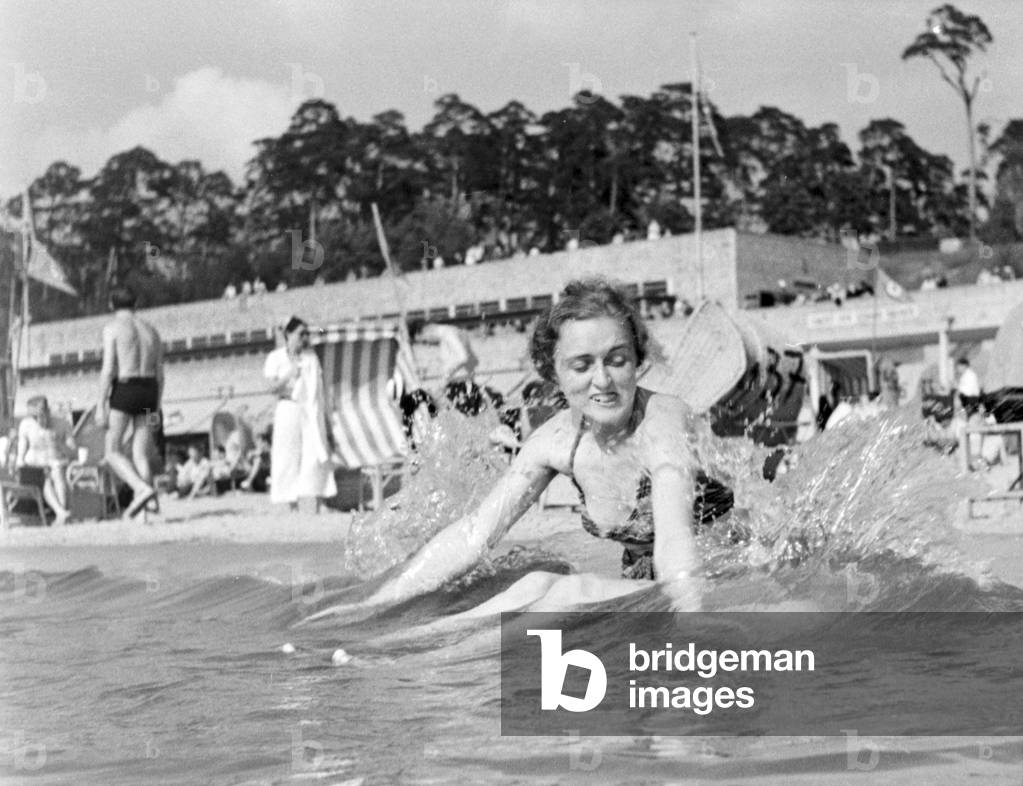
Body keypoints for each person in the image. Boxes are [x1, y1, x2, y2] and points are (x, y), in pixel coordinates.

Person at [332, 278, 712, 616]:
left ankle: (410, 653)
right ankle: (396, 647)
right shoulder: (556, 441)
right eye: (582, 366)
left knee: (566, 590)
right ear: (554, 373)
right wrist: (376, 603)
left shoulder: (662, 420)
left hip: (713, 583)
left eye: (617, 361)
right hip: (654, 587)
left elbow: (676, 534)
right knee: (535, 583)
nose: (603, 381)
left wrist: (690, 619)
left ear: (636, 361)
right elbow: (473, 534)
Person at [95, 287, 164, 518]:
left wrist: (100, 405)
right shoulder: (152, 331)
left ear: (111, 305)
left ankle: (141, 488)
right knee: (140, 453)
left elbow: (107, 370)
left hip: (126, 389)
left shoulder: (113, 328)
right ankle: (147, 511)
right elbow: (161, 374)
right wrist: (156, 405)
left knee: (112, 449)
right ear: (136, 304)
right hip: (149, 391)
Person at [263, 317, 337, 510]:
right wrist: (290, 374)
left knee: (315, 450)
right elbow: (271, 388)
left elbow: (317, 388)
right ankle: (291, 504)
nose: (304, 337)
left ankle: (319, 501)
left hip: (309, 408)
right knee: (287, 454)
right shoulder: (276, 357)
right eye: (300, 333)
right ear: (289, 334)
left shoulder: (310, 357)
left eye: (306, 334)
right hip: (287, 407)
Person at [15, 396, 76, 524]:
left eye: (40, 415)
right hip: (34, 467)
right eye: (33, 416)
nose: (37, 419)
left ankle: (62, 514)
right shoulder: (26, 425)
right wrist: (20, 463)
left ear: (48, 411)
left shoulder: (62, 423)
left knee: (57, 473)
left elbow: (72, 451)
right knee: (45, 478)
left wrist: (58, 443)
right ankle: (62, 513)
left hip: (56, 463)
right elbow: (21, 453)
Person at [408, 320, 479, 387]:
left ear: (424, 331)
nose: (428, 344)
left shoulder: (448, 333)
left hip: (460, 381)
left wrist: (448, 371)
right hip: (461, 379)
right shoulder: (448, 333)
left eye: (424, 341)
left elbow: (463, 357)